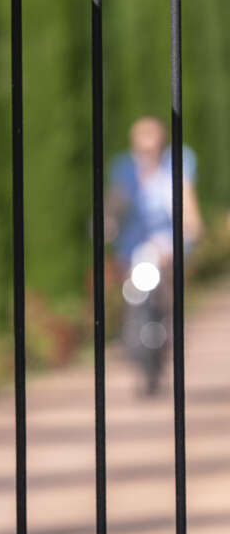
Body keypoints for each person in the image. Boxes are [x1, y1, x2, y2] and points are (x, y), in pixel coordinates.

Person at [106, 117, 202, 393]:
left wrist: (192, 228)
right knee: (131, 288)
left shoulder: (177, 162)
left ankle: (170, 328)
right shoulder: (124, 167)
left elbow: (186, 200)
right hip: (136, 242)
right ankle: (131, 335)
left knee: (168, 284)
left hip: (169, 238)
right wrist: (108, 222)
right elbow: (117, 199)